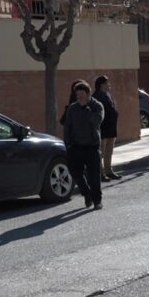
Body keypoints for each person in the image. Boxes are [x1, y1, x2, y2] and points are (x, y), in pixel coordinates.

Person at [63, 80, 104, 210]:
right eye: (77, 95)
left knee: (94, 176)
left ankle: (97, 200)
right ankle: (86, 193)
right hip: (76, 147)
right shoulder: (72, 108)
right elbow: (67, 127)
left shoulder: (97, 106)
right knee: (75, 173)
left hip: (92, 147)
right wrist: (67, 144)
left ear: (88, 94)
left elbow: (97, 120)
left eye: (81, 95)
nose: (79, 97)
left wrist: (86, 110)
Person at [92, 75, 120, 181]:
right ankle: (101, 173)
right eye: (107, 83)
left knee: (109, 151)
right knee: (101, 152)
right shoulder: (96, 96)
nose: (109, 85)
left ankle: (109, 170)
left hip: (111, 127)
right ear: (102, 84)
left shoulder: (107, 94)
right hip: (103, 128)